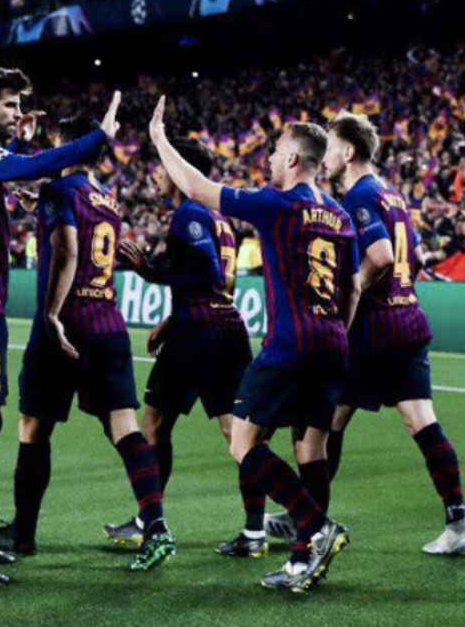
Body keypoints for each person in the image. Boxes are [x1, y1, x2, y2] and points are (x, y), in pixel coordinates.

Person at [148, 97, 352, 594]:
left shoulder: (276, 203)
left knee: (244, 442)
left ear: (293, 161)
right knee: (311, 447)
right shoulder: (338, 215)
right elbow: (352, 288)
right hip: (332, 340)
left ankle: (316, 528)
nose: (269, 158)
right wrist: (337, 330)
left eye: (276, 150)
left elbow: (197, 187)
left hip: (291, 343)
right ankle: (303, 559)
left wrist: (158, 138)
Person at [0, 66, 121, 587]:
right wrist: (98, 137)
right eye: (10, 105)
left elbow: (9, 184)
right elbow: (41, 165)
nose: (19, 114)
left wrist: (14, 167)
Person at [0, 118, 175, 571]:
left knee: (33, 428)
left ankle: (23, 534)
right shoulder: (107, 200)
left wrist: (50, 314)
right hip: (108, 322)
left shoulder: (59, 192)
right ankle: (157, 525)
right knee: (124, 428)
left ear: (64, 146)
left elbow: (68, 248)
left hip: (66, 327)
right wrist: (40, 204)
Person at [288, 113, 465, 556]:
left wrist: (353, 284)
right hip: (408, 320)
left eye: (330, 147)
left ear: (348, 151)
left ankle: (308, 519)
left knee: (322, 422)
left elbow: (382, 255)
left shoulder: (358, 196)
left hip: (374, 332)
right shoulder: (392, 196)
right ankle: (459, 521)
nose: (325, 157)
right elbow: (413, 256)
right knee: (420, 422)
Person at [101, 137, 261, 557]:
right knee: (236, 433)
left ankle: (148, 519)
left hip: (198, 336)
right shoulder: (220, 217)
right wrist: (171, 319)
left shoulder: (189, 213)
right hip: (223, 329)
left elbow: (205, 273)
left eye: (163, 165)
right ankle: (255, 530)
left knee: (153, 424)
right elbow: (223, 285)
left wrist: (149, 271)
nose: (157, 172)